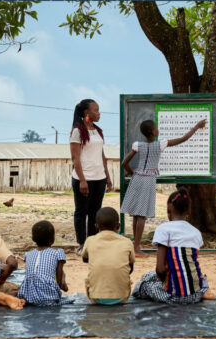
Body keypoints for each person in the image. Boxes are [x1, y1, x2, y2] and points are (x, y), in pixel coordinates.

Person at [120, 118, 206, 252]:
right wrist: (196, 127)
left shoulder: (137, 145)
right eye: (156, 128)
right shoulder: (160, 145)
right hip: (148, 179)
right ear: (153, 132)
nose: (158, 129)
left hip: (137, 178)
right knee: (142, 214)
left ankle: (135, 245)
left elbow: (124, 163)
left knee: (136, 214)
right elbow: (183, 139)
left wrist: (133, 173)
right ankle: (136, 248)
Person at [132, 190, 216, 304]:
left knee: (143, 285)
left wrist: (165, 282)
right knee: (200, 276)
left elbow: (160, 269)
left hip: (172, 296)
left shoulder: (163, 229)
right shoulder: (196, 232)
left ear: (169, 210)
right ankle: (205, 290)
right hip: (196, 295)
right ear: (188, 211)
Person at [69, 99, 112, 253]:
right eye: (96, 110)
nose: (99, 113)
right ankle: (81, 244)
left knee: (95, 212)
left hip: (99, 178)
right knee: (81, 212)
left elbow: (102, 155)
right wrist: (82, 180)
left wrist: (107, 176)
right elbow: (76, 158)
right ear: (87, 113)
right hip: (84, 178)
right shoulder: (78, 131)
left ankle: (92, 243)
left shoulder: (98, 131)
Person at [82, 207, 136, 305]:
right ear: (118, 226)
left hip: (96, 298)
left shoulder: (90, 240)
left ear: (96, 227)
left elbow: (85, 259)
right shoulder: (127, 242)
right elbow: (131, 267)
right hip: (121, 297)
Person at [17, 221, 69, 306]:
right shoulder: (58, 253)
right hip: (48, 297)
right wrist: (62, 286)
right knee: (61, 275)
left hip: (27, 295)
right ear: (52, 239)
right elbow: (59, 279)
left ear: (33, 238)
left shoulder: (28, 254)